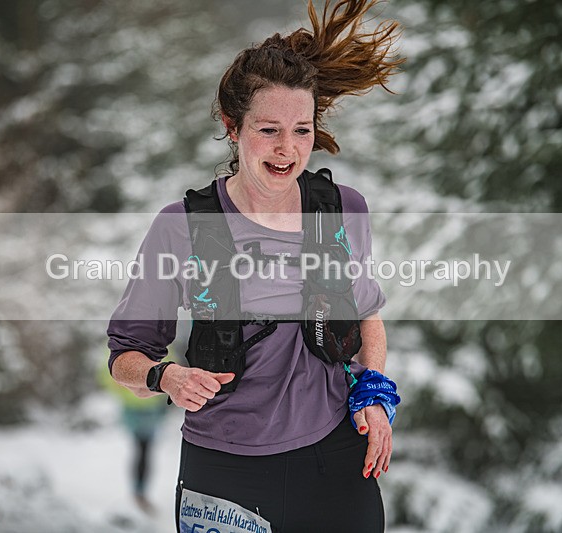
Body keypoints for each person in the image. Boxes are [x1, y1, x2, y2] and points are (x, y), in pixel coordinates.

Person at [107, 1, 403, 531]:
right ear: (232, 127)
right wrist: (165, 376)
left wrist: (375, 389)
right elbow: (126, 355)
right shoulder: (182, 227)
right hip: (224, 469)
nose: (287, 150)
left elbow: (366, 313)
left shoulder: (341, 210)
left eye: (302, 131)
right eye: (268, 130)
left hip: (333, 460)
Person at [98, 357, 168, 515]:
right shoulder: (122, 344)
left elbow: (171, 370)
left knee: (144, 450)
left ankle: (139, 493)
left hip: (152, 411)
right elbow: (108, 374)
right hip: (134, 411)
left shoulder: (163, 345)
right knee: (142, 450)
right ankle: (139, 494)